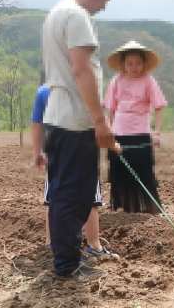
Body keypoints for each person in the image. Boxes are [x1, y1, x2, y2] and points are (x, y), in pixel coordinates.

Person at [42, 0, 119, 280]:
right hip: (75, 120)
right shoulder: (76, 16)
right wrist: (100, 121)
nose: (103, 7)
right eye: (105, 0)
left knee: (69, 192)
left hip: (59, 116)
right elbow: (81, 70)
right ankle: (67, 266)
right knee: (72, 195)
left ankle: (68, 261)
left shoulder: (55, 13)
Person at [30, 83, 118, 260]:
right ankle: (93, 246)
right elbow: (99, 119)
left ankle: (53, 245)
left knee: (56, 199)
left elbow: (37, 123)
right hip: (81, 152)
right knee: (90, 200)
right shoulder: (86, 88)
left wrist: (37, 151)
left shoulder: (45, 91)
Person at [104, 41, 167, 213]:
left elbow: (159, 106)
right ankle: (121, 207)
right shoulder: (116, 81)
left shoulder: (148, 80)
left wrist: (157, 131)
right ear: (123, 64)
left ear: (144, 63)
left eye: (138, 63)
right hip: (119, 133)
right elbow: (110, 108)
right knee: (120, 172)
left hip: (140, 132)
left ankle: (147, 208)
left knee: (143, 172)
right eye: (130, 63)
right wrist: (109, 131)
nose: (134, 67)